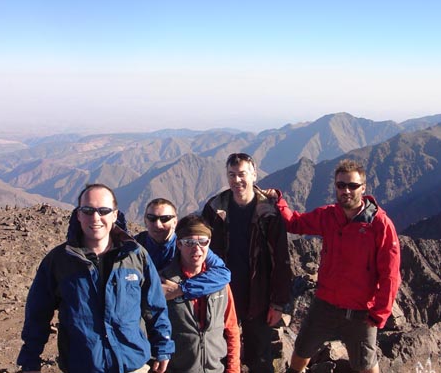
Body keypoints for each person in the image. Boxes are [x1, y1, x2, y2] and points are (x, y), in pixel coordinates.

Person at [17, 183, 174, 373]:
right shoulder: (59, 261)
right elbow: (37, 314)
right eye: (88, 210)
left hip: (132, 364)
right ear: (78, 214)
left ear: (115, 215)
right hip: (82, 365)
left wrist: (163, 346)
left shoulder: (135, 256)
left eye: (104, 210)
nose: (96, 217)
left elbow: (155, 306)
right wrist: (30, 359)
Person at [268, 159, 401, 373]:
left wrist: (380, 313)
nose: (346, 190)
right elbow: (296, 223)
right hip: (325, 303)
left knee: (365, 363)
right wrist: (278, 202)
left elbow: (390, 274)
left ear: (363, 188)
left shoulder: (380, 225)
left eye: (352, 186)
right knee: (301, 350)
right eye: (341, 185)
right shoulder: (329, 215)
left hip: (360, 311)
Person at [201, 152, 292, 373]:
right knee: (220, 354)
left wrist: (278, 303)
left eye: (242, 174)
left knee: (259, 357)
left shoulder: (269, 212)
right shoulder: (215, 209)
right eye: (231, 175)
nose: (236, 180)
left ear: (253, 174)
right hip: (221, 294)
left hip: (258, 295)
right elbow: (200, 248)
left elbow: (281, 259)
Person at [160, 214, 241, 373]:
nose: (196, 248)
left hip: (215, 369)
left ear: (209, 243)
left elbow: (231, 328)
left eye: (202, 242)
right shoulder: (164, 283)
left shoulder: (220, 284)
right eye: (189, 242)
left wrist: (233, 369)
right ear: (178, 244)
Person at [135, 198, 231, 300]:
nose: (157, 224)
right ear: (145, 220)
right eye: (152, 218)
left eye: (165, 219)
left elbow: (222, 274)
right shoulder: (133, 246)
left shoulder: (188, 244)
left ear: (175, 221)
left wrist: (181, 289)